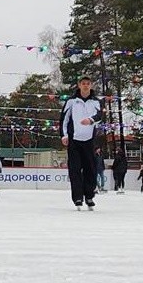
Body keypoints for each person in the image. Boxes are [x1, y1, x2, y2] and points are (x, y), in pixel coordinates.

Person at [59, 75, 102, 210]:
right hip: (74, 141)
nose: (85, 86)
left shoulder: (96, 101)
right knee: (75, 170)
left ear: (91, 85)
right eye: (83, 83)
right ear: (79, 85)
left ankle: (89, 196)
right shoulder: (72, 101)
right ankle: (77, 197)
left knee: (91, 169)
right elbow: (64, 120)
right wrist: (64, 135)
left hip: (89, 141)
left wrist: (91, 120)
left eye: (88, 83)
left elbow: (100, 116)